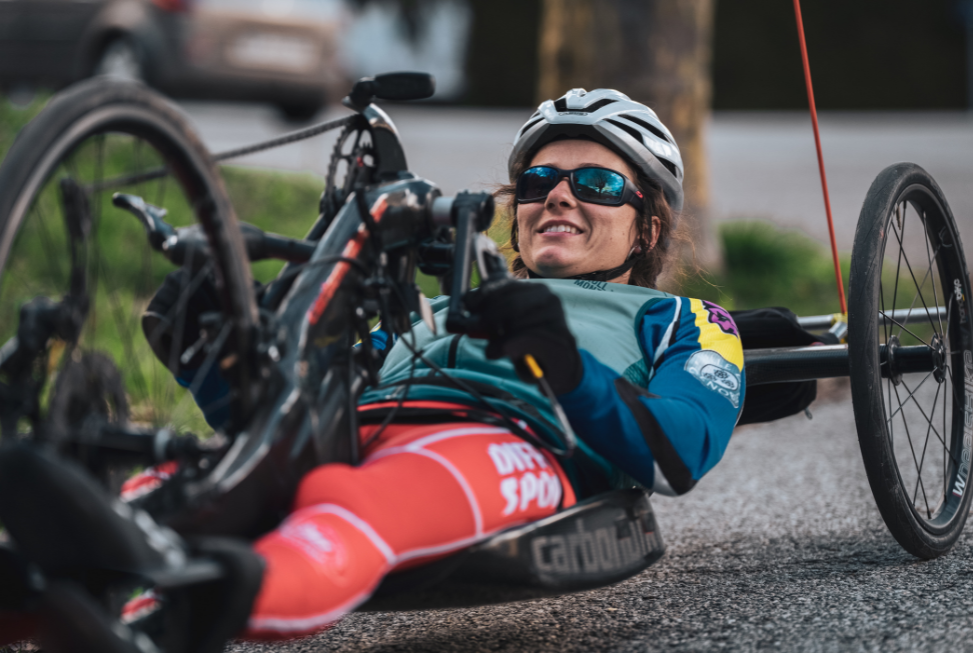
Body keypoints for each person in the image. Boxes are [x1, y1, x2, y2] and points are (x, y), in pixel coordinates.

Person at [1, 88, 745, 649]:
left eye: (598, 183)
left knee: (357, 501)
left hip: (510, 443)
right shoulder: (438, 303)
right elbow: (281, 422)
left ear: (646, 225)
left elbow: (675, 447)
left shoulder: (686, 322)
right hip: (362, 426)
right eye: (540, 179)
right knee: (180, 486)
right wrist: (210, 349)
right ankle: (52, 573)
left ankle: (182, 602)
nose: (556, 193)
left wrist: (557, 356)